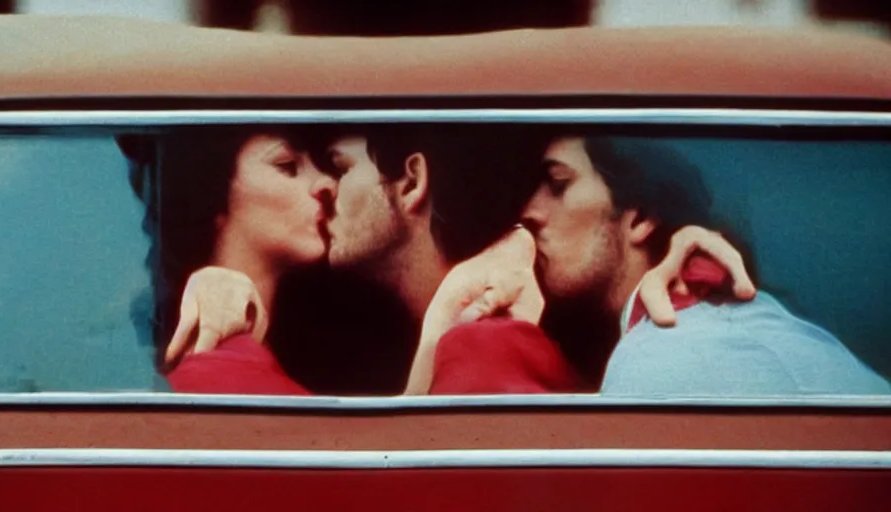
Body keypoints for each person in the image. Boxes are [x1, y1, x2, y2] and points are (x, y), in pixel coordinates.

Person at [164, 126, 756, 395]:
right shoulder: (360, 348)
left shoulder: (491, 346)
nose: (325, 188)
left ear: (412, 181)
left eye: (341, 169)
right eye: (293, 167)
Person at [410, 137, 890, 396]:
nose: (530, 212)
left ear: (638, 215)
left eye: (557, 185)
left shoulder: (668, 356)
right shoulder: (705, 327)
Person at [122, 127, 337, 395]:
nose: (327, 183)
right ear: (208, 194)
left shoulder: (290, 356)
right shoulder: (218, 378)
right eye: (288, 166)